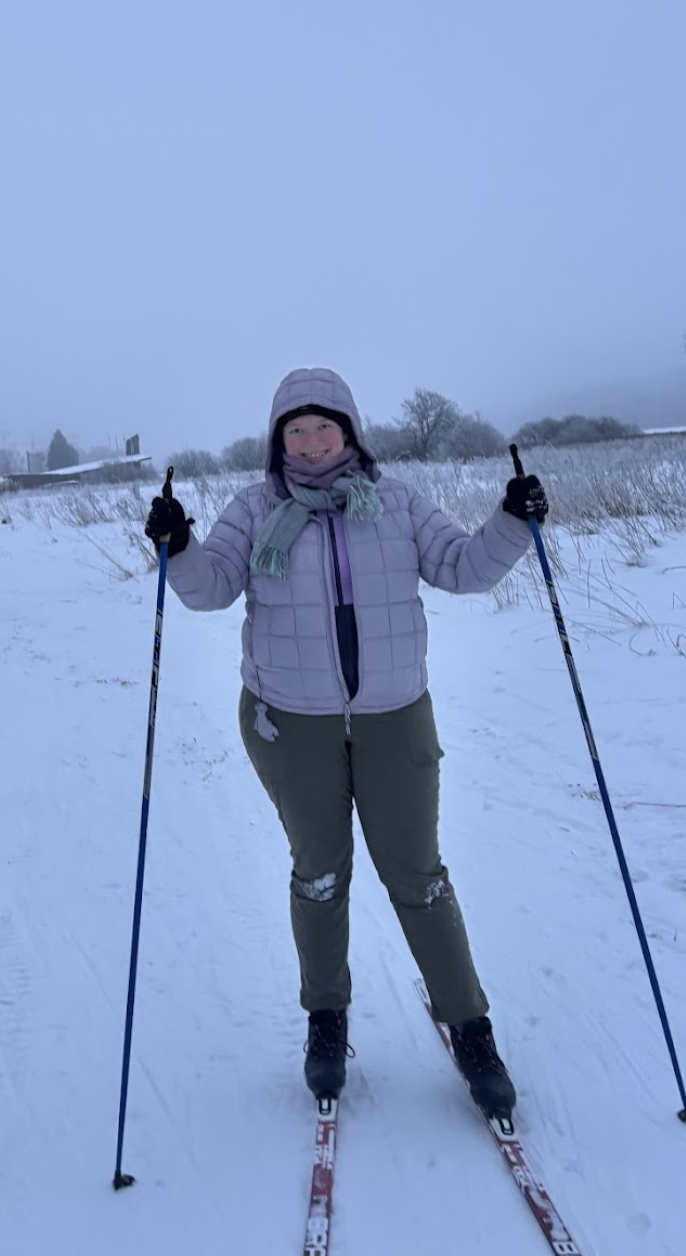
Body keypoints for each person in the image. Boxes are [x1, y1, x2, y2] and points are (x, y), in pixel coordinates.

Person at [144, 368, 548, 1117]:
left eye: (323, 426)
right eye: (294, 430)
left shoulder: (394, 503)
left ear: (351, 432)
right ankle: (325, 1018)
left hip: (395, 715)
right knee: (319, 875)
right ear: (278, 440)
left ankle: (470, 1028)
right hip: (290, 721)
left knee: (419, 877)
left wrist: (512, 522)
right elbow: (209, 586)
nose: (310, 440)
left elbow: (463, 567)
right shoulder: (256, 507)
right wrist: (179, 542)